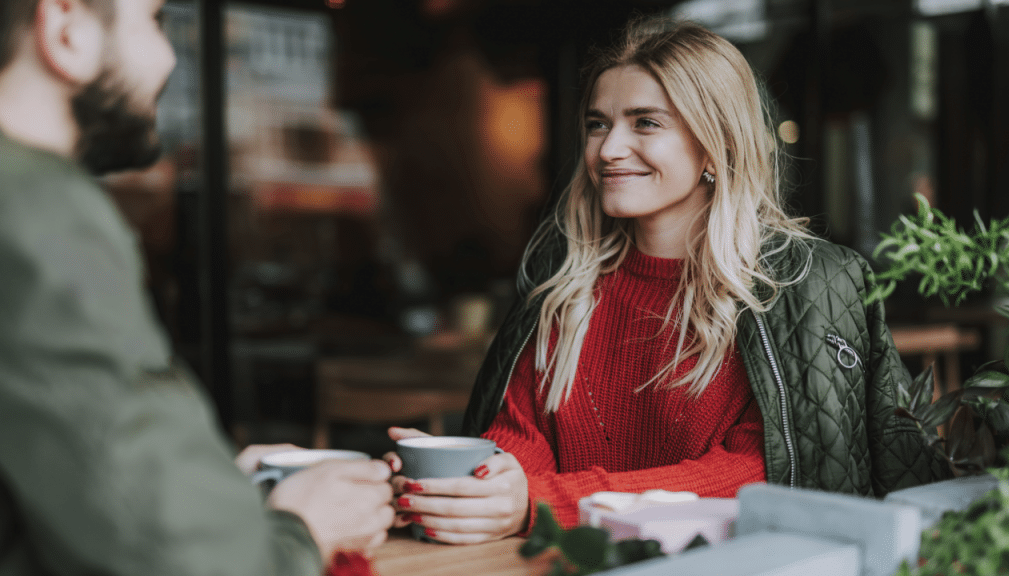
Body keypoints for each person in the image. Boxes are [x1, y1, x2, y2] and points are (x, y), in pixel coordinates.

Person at [387, 18, 949, 542]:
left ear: (714, 144)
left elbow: (765, 470)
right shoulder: (563, 283)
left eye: (645, 123)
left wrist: (542, 502)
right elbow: (522, 438)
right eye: (597, 124)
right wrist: (463, 477)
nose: (607, 149)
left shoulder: (805, 285)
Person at [0, 0, 393, 574]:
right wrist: (301, 531)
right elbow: (187, 562)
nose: (169, 58)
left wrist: (213, 492)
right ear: (66, 29)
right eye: (154, 21)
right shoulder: (39, 210)